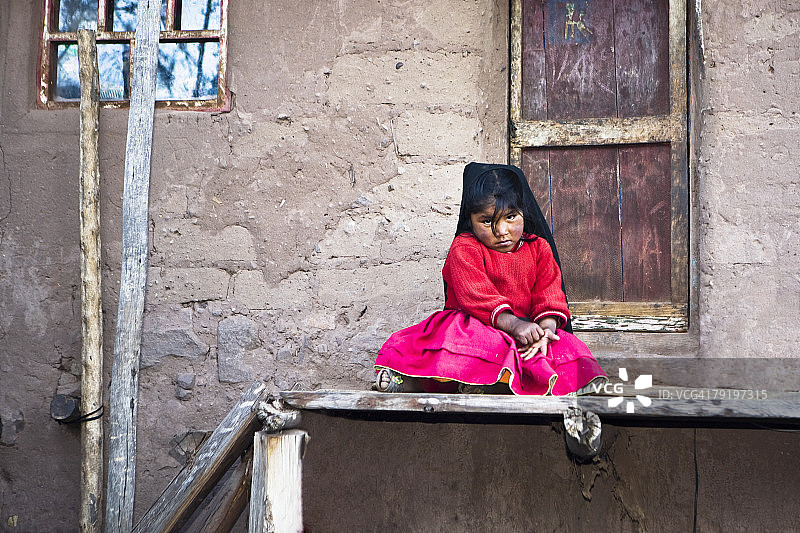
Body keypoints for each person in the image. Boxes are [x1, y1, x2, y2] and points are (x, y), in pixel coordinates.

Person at [373, 162, 607, 395]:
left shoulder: (539, 249)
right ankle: (409, 381)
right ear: (471, 219)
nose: (501, 230)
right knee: (464, 346)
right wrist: (514, 325)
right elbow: (475, 295)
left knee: (561, 348)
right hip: (477, 327)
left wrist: (545, 331)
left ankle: (492, 383)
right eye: (487, 221)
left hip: (526, 333)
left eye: (511, 217)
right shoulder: (464, 248)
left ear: (524, 212)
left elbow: (550, 293)